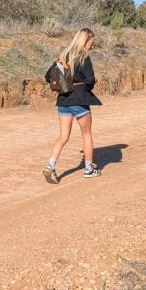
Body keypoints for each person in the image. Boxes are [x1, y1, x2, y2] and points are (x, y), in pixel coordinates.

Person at [43, 27, 102, 183]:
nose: (92, 45)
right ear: (85, 40)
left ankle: (50, 165)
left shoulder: (64, 55)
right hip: (79, 99)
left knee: (63, 137)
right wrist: (83, 86)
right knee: (87, 134)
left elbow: (48, 76)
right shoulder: (84, 57)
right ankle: (89, 169)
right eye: (91, 42)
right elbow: (90, 80)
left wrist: (65, 82)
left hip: (63, 100)